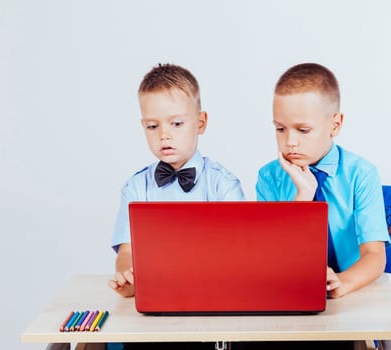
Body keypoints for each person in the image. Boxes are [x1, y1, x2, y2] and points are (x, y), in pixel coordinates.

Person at [249, 62, 390, 350]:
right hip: (289, 303)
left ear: (335, 125)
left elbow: (375, 255)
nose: (290, 142)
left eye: (303, 130)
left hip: (351, 299)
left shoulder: (361, 174)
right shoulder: (269, 177)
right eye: (280, 129)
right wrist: (303, 197)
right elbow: (270, 257)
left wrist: (342, 283)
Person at [108, 63, 245, 298]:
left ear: (200, 123)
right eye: (153, 126)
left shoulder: (223, 184)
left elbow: (241, 250)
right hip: (156, 296)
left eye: (177, 123)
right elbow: (126, 251)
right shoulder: (136, 187)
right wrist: (128, 276)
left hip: (214, 296)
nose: (164, 135)